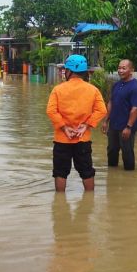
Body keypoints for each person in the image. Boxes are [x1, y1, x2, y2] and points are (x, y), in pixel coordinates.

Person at [46, 54, 107, 192]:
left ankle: (60, 204)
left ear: (69, 71)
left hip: (62, 139)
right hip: (83, 138)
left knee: (60, 172)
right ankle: (89, 201)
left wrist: (64, 127)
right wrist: (86, 125)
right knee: (87, 171)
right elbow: (101, 110)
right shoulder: (93, 90)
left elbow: (51, 111)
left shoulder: (58, 89)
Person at [101, 59, 137, 170]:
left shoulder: (136, 87)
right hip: (113, 126)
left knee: (127, 153)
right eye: (119, 68)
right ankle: (112, 178)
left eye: (124, 68)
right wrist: (106, 121)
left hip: (126, 127)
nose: (120, 70)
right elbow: (111, 102)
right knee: (111, 151)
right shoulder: (116, 85)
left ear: (131, 70)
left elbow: (135, 109)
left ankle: (129, 181)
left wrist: (128, 127)